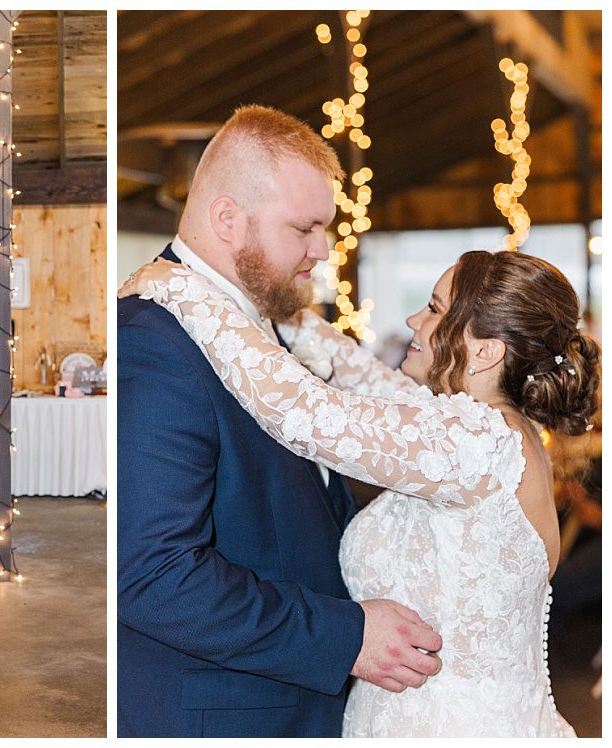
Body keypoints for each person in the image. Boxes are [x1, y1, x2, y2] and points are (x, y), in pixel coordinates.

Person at [121, 246, 600, 736]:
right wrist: (281, 316)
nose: (415, 319)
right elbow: (365, 376)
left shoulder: (474, 444)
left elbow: (307, 414)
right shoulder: (486, 430)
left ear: (485, 350)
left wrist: (183, 290)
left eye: (434, 309)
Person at [116, 105, 442, 739]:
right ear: (227, 219)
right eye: (305, 228)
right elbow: (154, 574)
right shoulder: (152, 344)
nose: (324, 250)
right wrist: (345, 636)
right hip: (224, 714)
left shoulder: (261, 325)